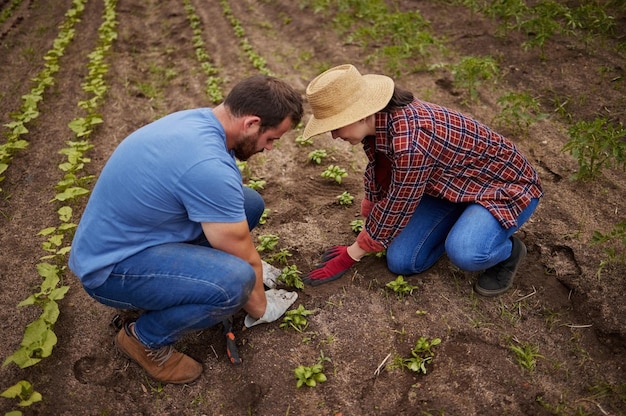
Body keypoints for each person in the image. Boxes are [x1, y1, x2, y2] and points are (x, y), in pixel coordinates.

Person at [69, 75, 303, 384]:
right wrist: (260, 306)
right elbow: (245, 262)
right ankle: (144, 340)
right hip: (111, 271)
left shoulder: (198, 122)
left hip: (133, 239)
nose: (270, 148)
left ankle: (191, 279)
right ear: (251, 123)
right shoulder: (208, 165)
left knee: (248, 205)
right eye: (271, 138)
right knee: (235, 283)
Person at [301, 64, 543, 297]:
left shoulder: (411, 141)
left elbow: (400, 202)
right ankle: (462, 222)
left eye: (336, 126)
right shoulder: (380, 124)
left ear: (361, 115)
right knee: (402, 261)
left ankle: (509, 252)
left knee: (466, 252)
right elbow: (381, 173)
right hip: (447, 187)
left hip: (501, 187)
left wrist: (351, 255)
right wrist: (370, 219)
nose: (333, 135)